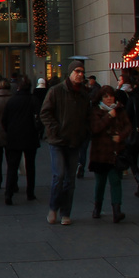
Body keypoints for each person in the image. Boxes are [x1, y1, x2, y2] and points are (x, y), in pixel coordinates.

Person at [39, 64, 92, 225]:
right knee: (59, 175)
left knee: (70, 179)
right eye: (77, 71)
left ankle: (66, 212)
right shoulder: (56, 91)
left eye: (82, 72)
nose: (80, 75)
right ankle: (54, 208)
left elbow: (87, 117)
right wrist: (56, 129)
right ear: (70, 73)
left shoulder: (83, 94)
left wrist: (84, 133)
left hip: (74, 140)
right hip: (58, 140)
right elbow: (45, 113)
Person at [88, 84, 133, 223]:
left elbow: (128, 126)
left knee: (115, 181)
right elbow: (95, 128)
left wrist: (121, 136)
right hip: (100, 153)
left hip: (115, 152)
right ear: (101, 98)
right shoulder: (96, 111)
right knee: (100, 182)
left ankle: (116, 210)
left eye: (111, 96)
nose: (109, 99)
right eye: (106, 96)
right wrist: (109, 116)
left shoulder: (120, 110)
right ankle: (97, 207)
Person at [1, 75, 39, 204]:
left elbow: (4, 120)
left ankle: (9, 193)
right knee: (31, 166)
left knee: (12, 167)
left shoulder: (11, 101)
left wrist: (9, 131)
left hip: (14, 137)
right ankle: (30, 192)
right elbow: (39, 119)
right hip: (30, 137)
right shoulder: (33, 100)